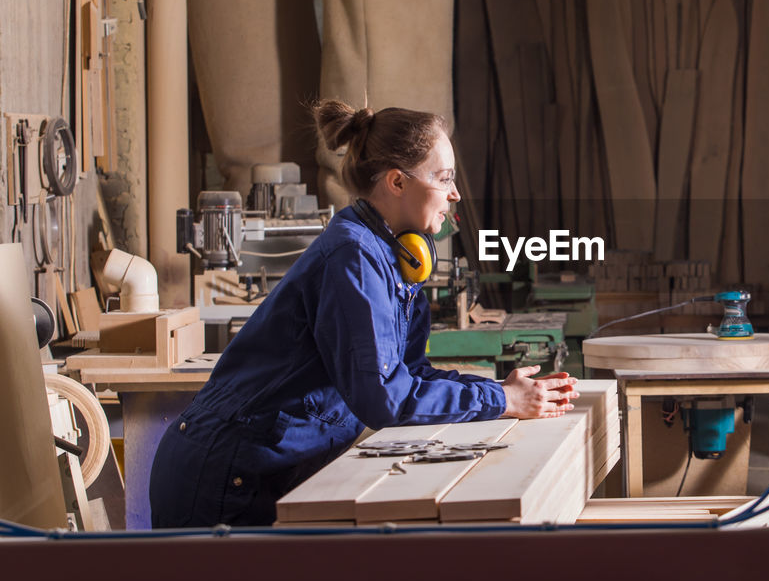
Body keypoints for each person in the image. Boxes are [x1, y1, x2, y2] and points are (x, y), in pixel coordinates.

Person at [150, 101, 579, 528]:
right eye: (444, 178)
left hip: (261, 471)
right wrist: (502, 402)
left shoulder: (390, 254)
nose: (455, 194)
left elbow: (410, 375)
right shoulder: (353, 255)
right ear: (396, 181)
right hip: (224, 479)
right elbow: (385, 398)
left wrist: (501, 391)